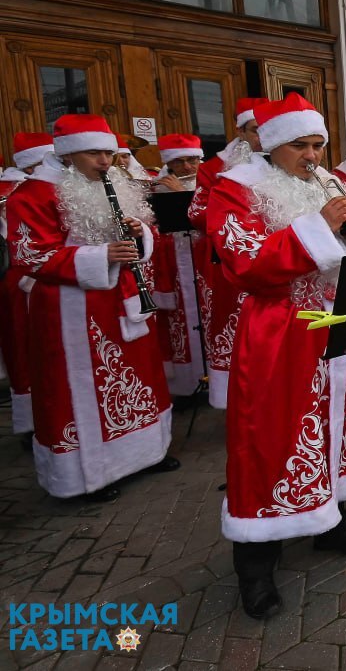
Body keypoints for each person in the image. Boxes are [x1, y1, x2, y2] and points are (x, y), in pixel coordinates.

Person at [206, 93, 346, 620]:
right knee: (272, 436)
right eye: (301, 146)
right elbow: (245, 264)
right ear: (270, 143)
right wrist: (320, 227)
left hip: (337, 324)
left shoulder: (329, 183)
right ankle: (255, 560)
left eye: (318, 145)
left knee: (338, 428)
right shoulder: (236, 190)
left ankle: (332, 520)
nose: (313, 157)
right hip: (280, 332)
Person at [6, 114, 179, 502]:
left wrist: (140, 234)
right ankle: (89, 475)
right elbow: (29, 255)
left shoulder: (113, 183)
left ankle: (146, 453)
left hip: (122, 299)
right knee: (82, 387)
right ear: (68, 154)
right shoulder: (31, 194)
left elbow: (141, 237)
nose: (105, 162)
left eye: (109, 153)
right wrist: (100, 255)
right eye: (94, 154)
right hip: (72, 307)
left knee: (139, 377)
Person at [187, 97, 264, 409]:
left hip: (271, 259)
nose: (263, 136)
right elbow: (195, 212)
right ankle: (237, 397)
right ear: (241, 132)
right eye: (256, 130)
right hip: (230, 260)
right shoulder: (213, 169)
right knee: (232, 330)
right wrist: (233, 214)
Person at [1, 132, 52, 445]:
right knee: (25, 351)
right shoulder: (13, 193)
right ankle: (34, 421)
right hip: (23, 281)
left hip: (51, 278)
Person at [150, 134, 208, 406]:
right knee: (179, 323)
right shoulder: (156, 188)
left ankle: (211, 378)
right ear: (168, 163)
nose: (187, 167)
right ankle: (185, 385)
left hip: (204, 260)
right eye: (180, 161)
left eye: (193, 160)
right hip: (174, 264)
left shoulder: (209, 182)